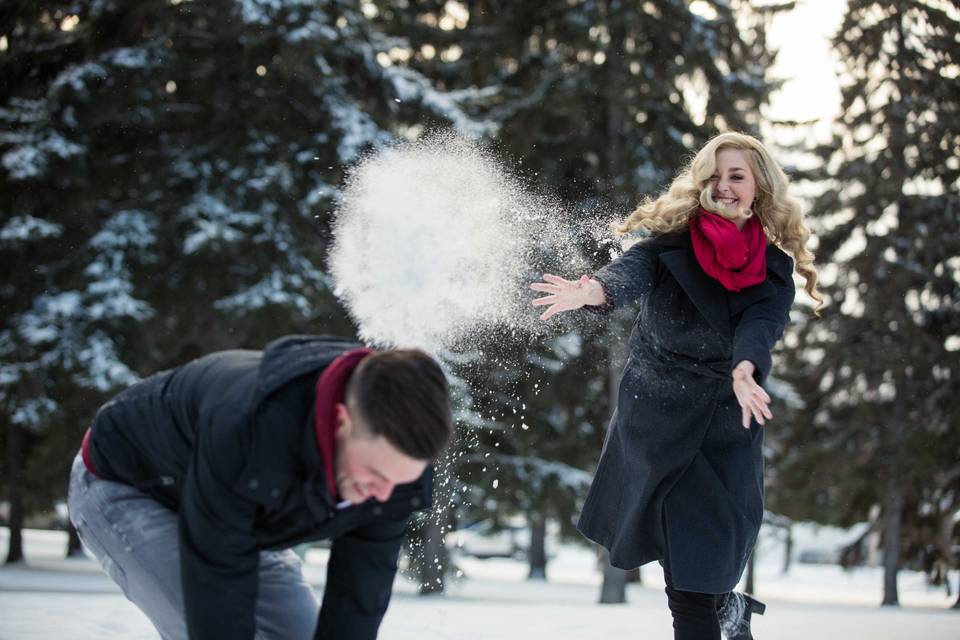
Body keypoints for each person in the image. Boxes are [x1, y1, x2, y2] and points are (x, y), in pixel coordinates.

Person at [531, 132, 821, 640]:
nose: (724, 186)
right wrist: (592, 289)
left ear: (760, 188)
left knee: (700, 574)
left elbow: (762, 325)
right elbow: (628, 272)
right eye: (715, 175)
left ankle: (726, 605)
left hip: (725, 425)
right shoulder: (672, 244)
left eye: (737, 176)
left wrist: (745, 368)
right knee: (685, 586)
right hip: (657, 418)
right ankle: (721, 607)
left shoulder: (774, 268)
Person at [67, 334, 452, 640]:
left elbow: (359, 595)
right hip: (127, 486)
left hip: (234, 512)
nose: (383, 496)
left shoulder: (398, 465)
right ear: (340, 423)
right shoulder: (250, 429)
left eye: (397, 482)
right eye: (374, 474)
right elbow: (217, 588)